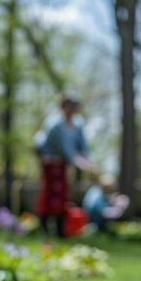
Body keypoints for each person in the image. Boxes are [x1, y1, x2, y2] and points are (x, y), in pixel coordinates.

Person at [35, 94, 97, 238]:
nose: (73, 110)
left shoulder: (78, 124)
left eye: (75, 107)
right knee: (49, 194)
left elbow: (82, 146)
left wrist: (89, 162)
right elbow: (65, 149)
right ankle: (44, 228)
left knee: (62, 194)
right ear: (63, 107)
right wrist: (83, 165)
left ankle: (60, 230)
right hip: (50, 163)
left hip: (63, 163)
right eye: (70, 106)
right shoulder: (54, 124)